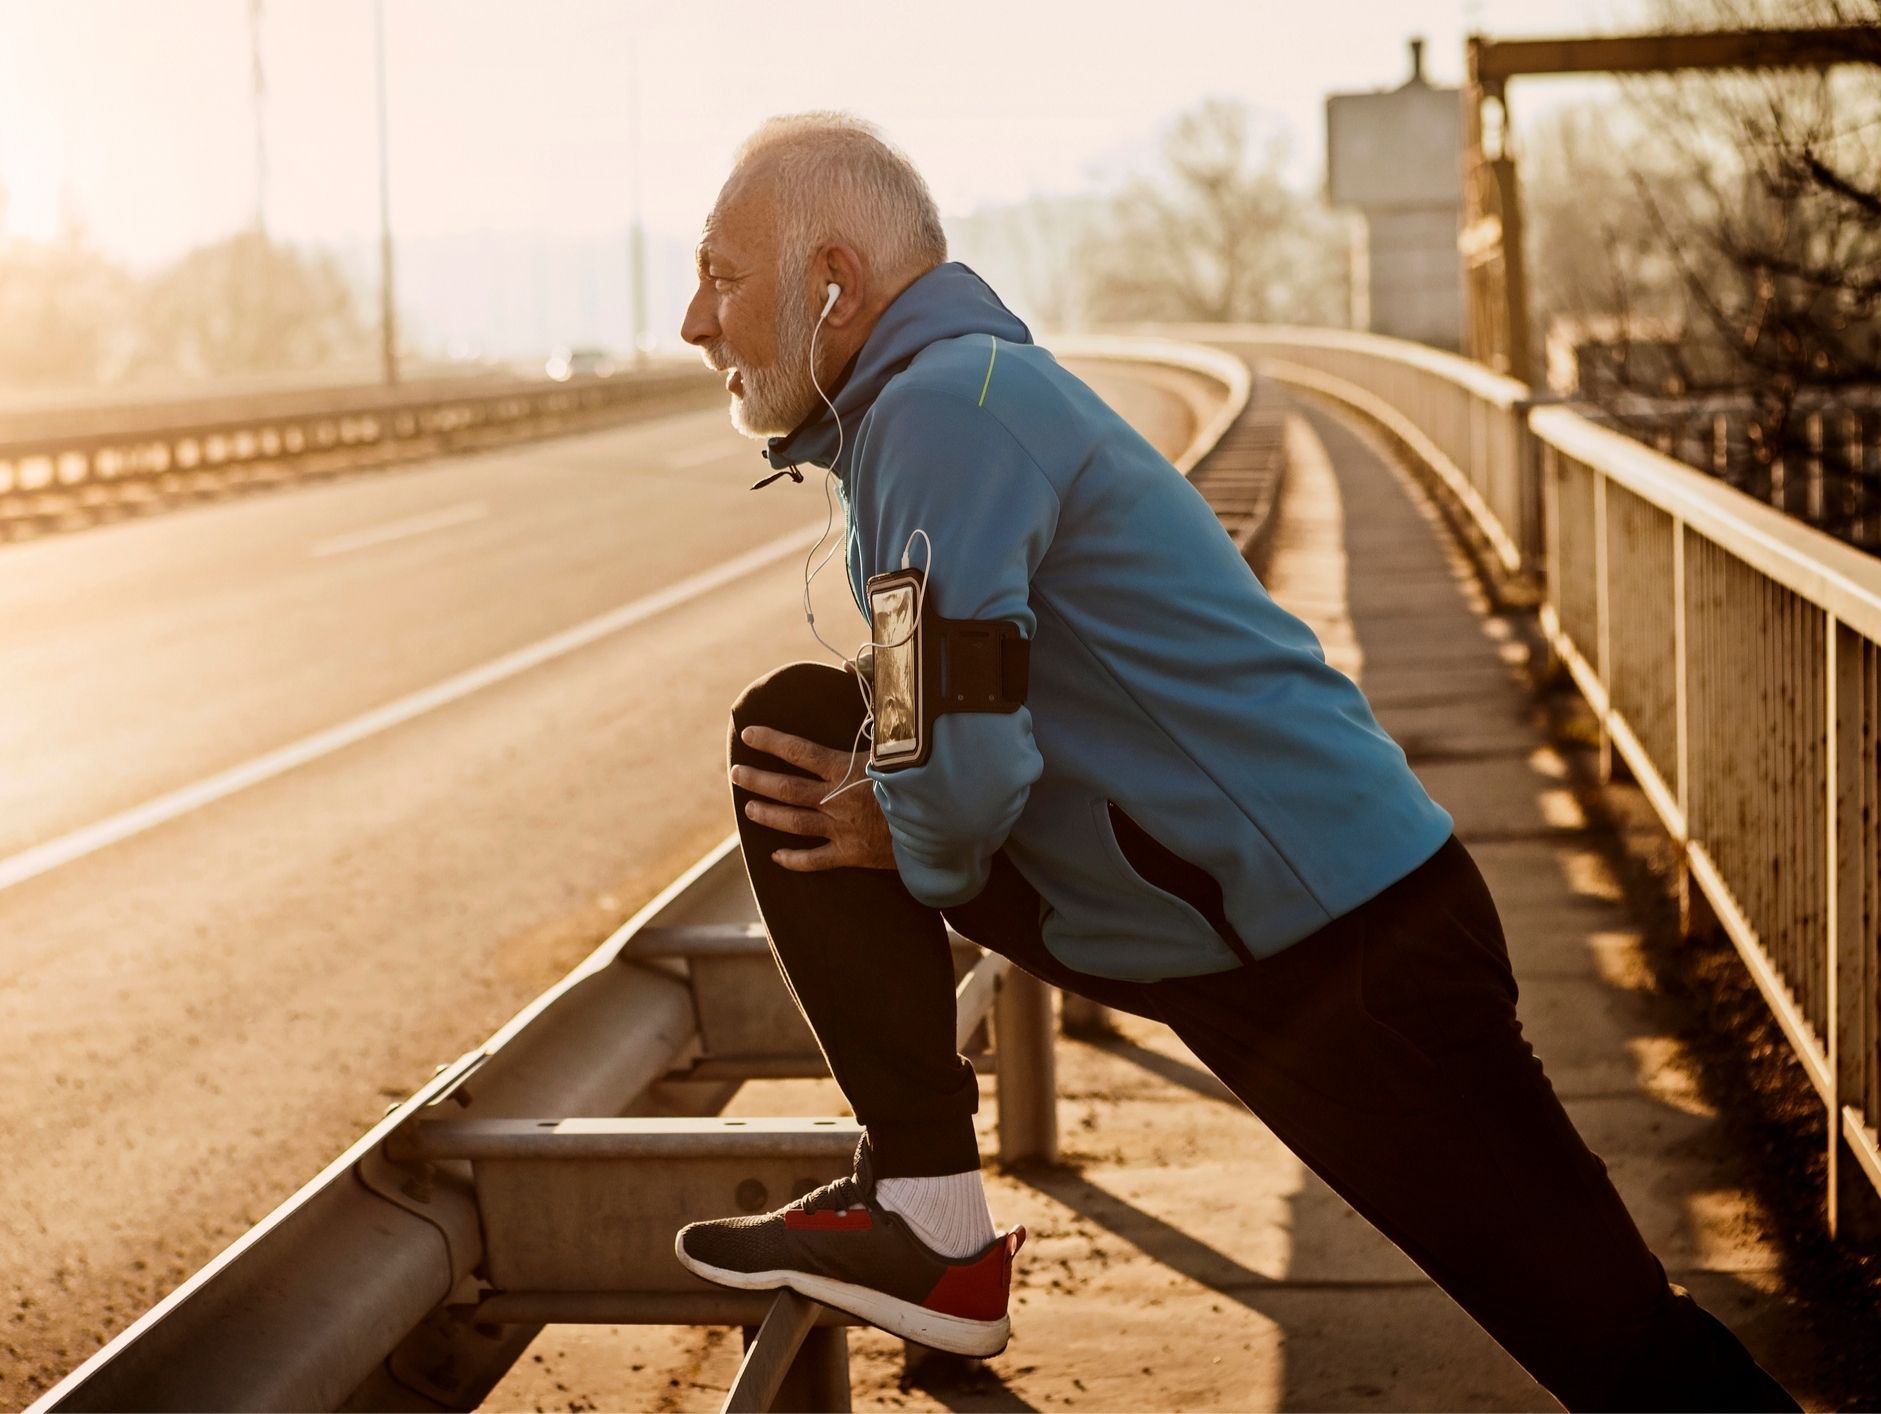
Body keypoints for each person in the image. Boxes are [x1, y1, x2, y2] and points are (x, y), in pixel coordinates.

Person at [670, 111, 1797, 1411]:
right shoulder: (935, 404)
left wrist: (897, 831)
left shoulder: (942, 412)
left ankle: (928, 1223)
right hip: (1232, 923)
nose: (695, 324)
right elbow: (957, 712)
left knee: (1619, 1348)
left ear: (833, 284)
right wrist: (903, 800)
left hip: (1346, 947)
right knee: (801, 725)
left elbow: (962, 773)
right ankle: (926, 1214)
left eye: (720, 276)